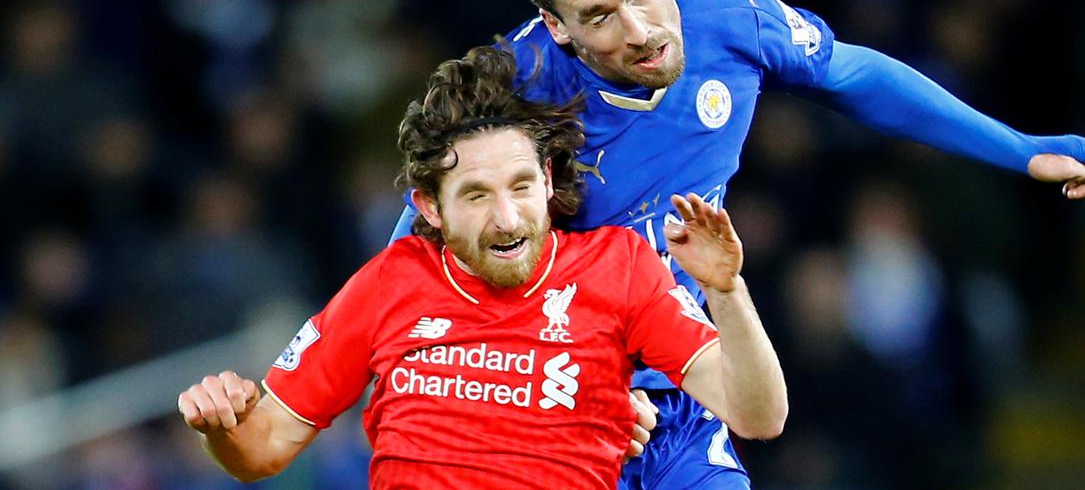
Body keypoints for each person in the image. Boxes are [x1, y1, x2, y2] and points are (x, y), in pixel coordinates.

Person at [389, 0, 1085, 489]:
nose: (639, 29)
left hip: (682, 398)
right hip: (546, 415)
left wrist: (1018, 149)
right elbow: (405, 286)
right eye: (599, 17)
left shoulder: (729, 23)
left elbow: (853, 74)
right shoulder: (511, 94)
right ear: (555, 25)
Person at [176, 46, 787, 489]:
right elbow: (262, 449)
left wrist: (725, 288)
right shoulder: (391, 282)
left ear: (547, 182)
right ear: (429, 208)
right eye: (475, 195)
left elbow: (759, 415)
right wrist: (223, 426)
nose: (506, 217)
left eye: (521, 187)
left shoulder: (618, 268)